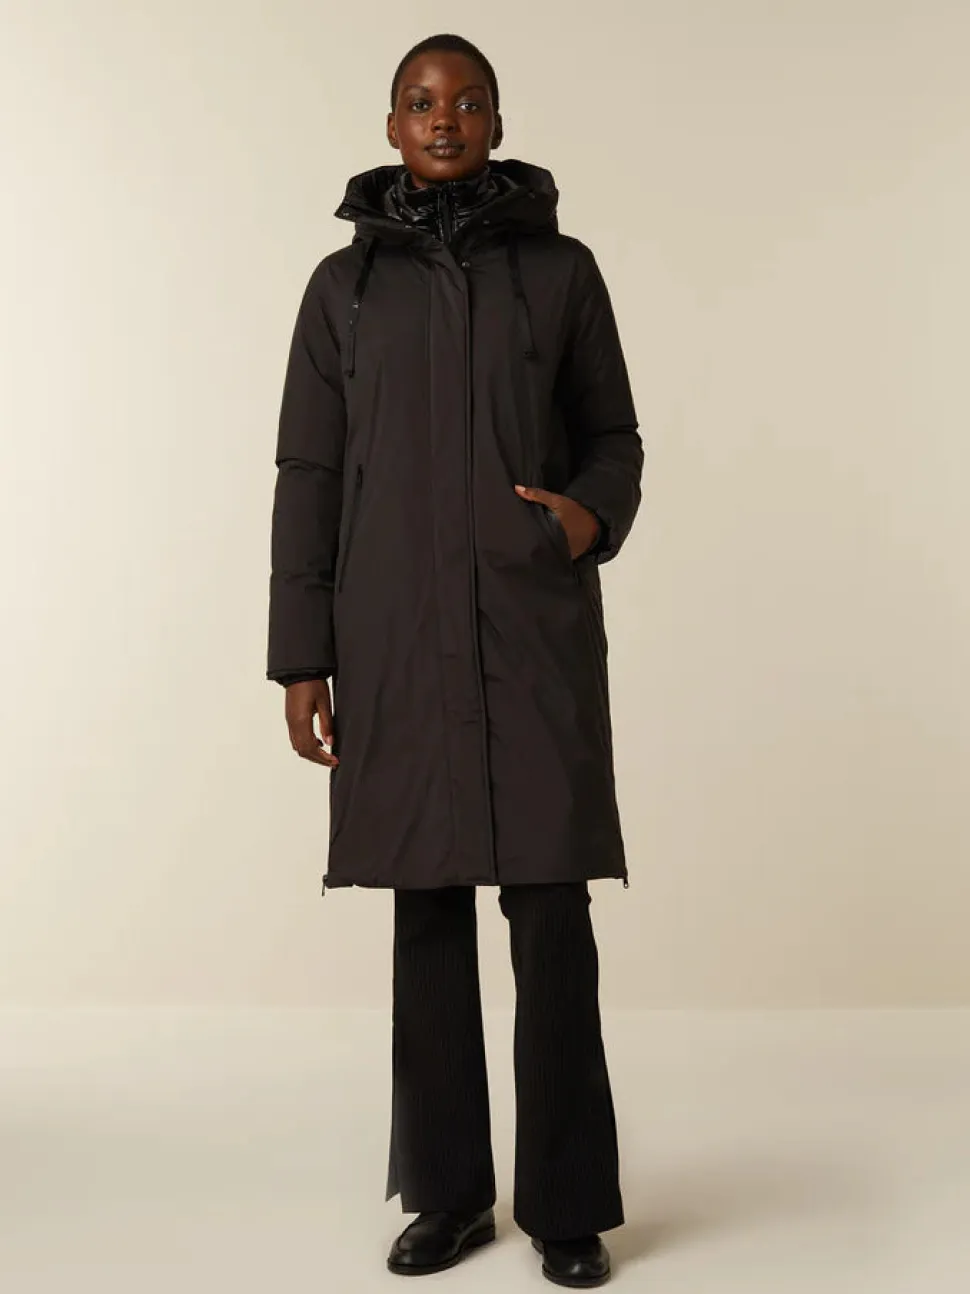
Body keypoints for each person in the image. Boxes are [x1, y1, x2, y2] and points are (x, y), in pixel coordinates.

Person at [266, 32, 642, 1288]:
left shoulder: (561, 272)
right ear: (391, 125)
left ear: (495, 122)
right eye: (422, 102)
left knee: (550, 914)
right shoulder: (342, 290)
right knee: (425, 912)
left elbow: (614, 436)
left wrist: (582, 520)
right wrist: (302, 656)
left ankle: (568, 1205)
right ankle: (446, 1195)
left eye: (467, 101)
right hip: (392, 636)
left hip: (528, 632)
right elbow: (308, 473)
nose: (444, 118)